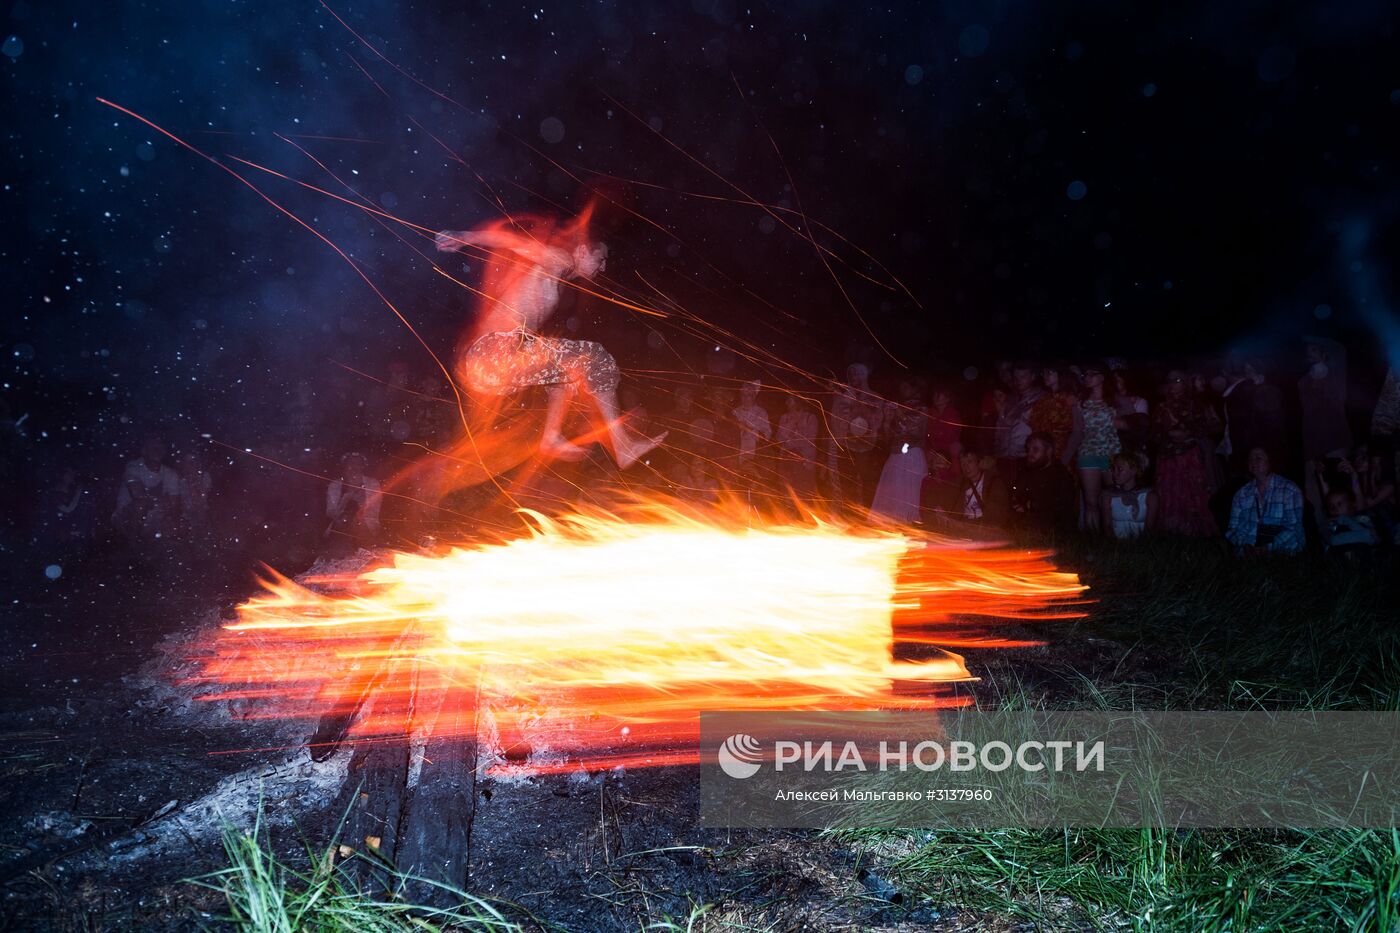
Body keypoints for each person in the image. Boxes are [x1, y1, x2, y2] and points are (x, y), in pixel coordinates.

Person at [435, 211, 664, 469]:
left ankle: (551, 437)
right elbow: (515, 243)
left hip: (487, 368)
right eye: (600, 258)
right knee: (594, 357)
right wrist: (464, 237)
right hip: (490, 354)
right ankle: (622, 447)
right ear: (582, 252)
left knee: (566, 371)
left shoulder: (558, 279)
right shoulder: (559, 259)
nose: (603, 267)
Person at [1153, 370, 1220, 537]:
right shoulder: (1162, 407)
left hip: (1192, 455)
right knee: (1170, 493)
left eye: (1177, 380)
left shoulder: (1197, 404)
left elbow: (1215, 425)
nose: (1173, 384)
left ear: (1185, 383)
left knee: (1195, 493)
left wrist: (1190, 433)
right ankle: (1173, 532)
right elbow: (1154, 433)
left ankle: (1198, 533)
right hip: (1169, 457)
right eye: (1170, 381)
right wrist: (1167, 434)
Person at [1299, 336, 1352, 527]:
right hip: (1312, 445)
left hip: (1335, 441)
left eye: (1314, 351)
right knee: (1314, 493)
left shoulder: (1336, 377)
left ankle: (1349, 535)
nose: (1309, 355)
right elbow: (1307, 413)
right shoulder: (1303, 382)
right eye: (1308, 352)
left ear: (1324, 354)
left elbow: (1340, 348)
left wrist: (1321, 335)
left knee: (1338, 493)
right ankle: (1325, 539)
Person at [1225, 447, 1305, 555]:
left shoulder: (1289, 490)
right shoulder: (1241, 494)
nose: (1253, 462)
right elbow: (1232, 529)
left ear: (1271, 461)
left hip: (1283, 554)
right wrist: (1244, 545)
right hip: (1248, 556)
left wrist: (1267, 548)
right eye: (1250, 459)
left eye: (1258, 458)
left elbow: (1293, 528)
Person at [869, 383, 930, 524]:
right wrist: (887, 421)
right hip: (895, 457)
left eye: (907, 386)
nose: (903, 389)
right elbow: (889, 439)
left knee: (907, 499)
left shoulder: (921, 408)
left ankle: (908, 530)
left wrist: (900, 413)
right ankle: (892, 530)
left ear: (915, 388)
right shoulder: (898, 406)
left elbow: (916, 433)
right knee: (891, 498)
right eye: (902, 386)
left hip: (911, 456)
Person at [1075, 364, 1121, 532]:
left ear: (1102, 377)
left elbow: (1133, 422)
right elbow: (1077, 432)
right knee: (1090, 502)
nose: (1087, 378)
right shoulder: (1081, 403)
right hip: (1088, 452)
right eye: (1085, 375)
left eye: (1092, 374)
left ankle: (1112, 536)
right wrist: (1066, 457)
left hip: (1112, 453)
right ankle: (1092, 539)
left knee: (1112, 499)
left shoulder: (1116, 401)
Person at [113, 436, 181, 541]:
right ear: (144, 451)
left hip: (155, 518)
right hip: (127, 519)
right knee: (141, 504)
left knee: (179, 523)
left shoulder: (170, 473)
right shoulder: (133, 467)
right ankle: (131, 544)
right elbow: (138, 494)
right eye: (153, 448)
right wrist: (162, 500)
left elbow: (174, 504)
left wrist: (167, 509)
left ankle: (156, 548)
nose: (157, 451)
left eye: (160, 448)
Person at [1012, 432, 1078, 535]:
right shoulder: (1028, 470)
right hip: (1028, 523)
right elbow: (1018, 493)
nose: (1030, 454)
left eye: (1035, 450)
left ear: (1049, 451)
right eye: (1028, 450)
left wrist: (1030, 505)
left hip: (1054, 530)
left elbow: (1062, 505)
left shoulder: (1060, 475)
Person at [995, 363, 1043, 484]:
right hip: (1005, 456)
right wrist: (997, 447)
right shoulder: (1011, 399)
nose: (1018, 381)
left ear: (1033, 376)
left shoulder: (1041, 398)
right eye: (1016, 377)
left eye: (1023, 377)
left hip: (1026, 455)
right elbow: (1001, 425)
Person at [326, 452, 382, 554]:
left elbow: (374, 509)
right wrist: (345, 499)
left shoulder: (372, 484)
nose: (354, 467)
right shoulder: (335, 486)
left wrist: (360, 504)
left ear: (363, 466)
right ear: (345, 466)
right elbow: (330, 511)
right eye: (350, 464)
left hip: (366, 528)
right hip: (340, 530)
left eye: (357, 464)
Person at [1029, 364, 1081, 466]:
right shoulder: (1043, 399)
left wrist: (1065, 458)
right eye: (1043, 373)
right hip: (1041, 453)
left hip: (1061, 453)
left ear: (1061, 375)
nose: (1045, 376)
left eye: (1049, 373)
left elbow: (1077, 432)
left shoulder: (1071, 398)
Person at [1100, 453, 1157, 539]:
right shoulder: (1108, 496)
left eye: (1120, 469)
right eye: (1113, 469)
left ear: (1134, 470)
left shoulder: (1150, 496)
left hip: (1140, 547)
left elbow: (1149, 531)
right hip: (1116, 547)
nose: (1115, 474)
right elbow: (1107, 529)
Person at [775, 393, 819, 498]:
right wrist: (790, 424)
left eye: (789, 401)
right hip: (787, 461)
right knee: (788, 493)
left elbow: (809, 440)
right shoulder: (784, 418)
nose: (786, 403)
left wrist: (791, 442)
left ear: (797, 401)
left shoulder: (810, 418)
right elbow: (779, 438)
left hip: (805, 462)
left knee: (804, 494)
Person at [957, 448, 1009, 527]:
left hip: (984, 528)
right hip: (964, 526)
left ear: (978, 462)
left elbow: (998, 513)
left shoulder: (993, 483)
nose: (966, 467)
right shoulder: (960, 483)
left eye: (969, 461)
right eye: (962, 463)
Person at [732, 380, 772, 476]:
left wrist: (750, 430)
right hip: (738, 452)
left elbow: (767, 434)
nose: (745, 398)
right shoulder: (735, 412)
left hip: (755, 453)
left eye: (748, 395)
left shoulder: (761, 412)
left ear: (754, 396)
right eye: (743, 395)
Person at [1323, 487, 1377, 557]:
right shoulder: (1331, 524)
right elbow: (1331, 540)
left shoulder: (1362, 519)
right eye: (1331, 506)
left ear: (1353, 504)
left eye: (1339, 504)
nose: (1335, 509)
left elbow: (1372, 538)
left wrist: (1347, 521)